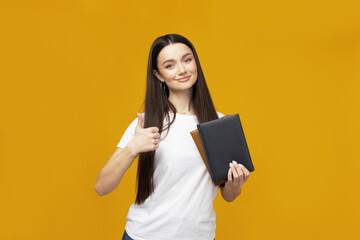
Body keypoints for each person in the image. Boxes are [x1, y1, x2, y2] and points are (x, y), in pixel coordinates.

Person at [95, 34, 251, 240]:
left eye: (187, 60)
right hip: (145, 235)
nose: (182, 70)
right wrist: (133, 148)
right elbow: (101, 187)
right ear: (158, 75)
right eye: (170, 65)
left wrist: (234, 184)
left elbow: (228, 196)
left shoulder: (218, 123)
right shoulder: (147, 123)